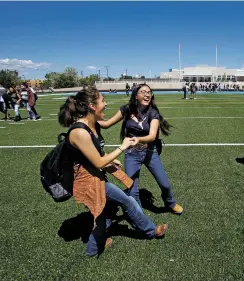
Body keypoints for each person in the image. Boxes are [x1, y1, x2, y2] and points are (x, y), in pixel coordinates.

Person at [58, 87, 168, 257]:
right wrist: (121, 148)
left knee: (103, 213)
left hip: (95, 176)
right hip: (87, 182)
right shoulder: (79, 132)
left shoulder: (90, 126)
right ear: (92, 106)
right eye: (102, 100)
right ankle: (151, 230)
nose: (106, 104)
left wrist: (109, 158)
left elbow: (93, 155)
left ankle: (94, 247)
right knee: (127, 202)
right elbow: (98, 161)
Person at [98, 84, 183, 215]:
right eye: (143, 92)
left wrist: (139, 139)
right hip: (132, 154)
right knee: (132, 188)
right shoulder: (126, 109)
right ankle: (138, 213)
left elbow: (152, 136)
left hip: (150, 153)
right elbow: (107, 124)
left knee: (165, 184)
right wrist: (87, 120)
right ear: (136, 96)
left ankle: (170, 202)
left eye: (149, 92)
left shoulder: (153, 113)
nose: (147, 94)